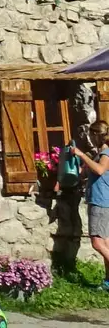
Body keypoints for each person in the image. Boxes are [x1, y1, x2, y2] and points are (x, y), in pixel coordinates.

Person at [72, 119, 109, 288]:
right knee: (105, 243)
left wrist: (82, 155)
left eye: (90, 135)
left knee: (97, 243)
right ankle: (108, 282)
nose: (90, 138)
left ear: (96, 135)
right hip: (102, 201)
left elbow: (100, 170)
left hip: (101, 202)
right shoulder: (100, 154)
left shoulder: (105, 154)